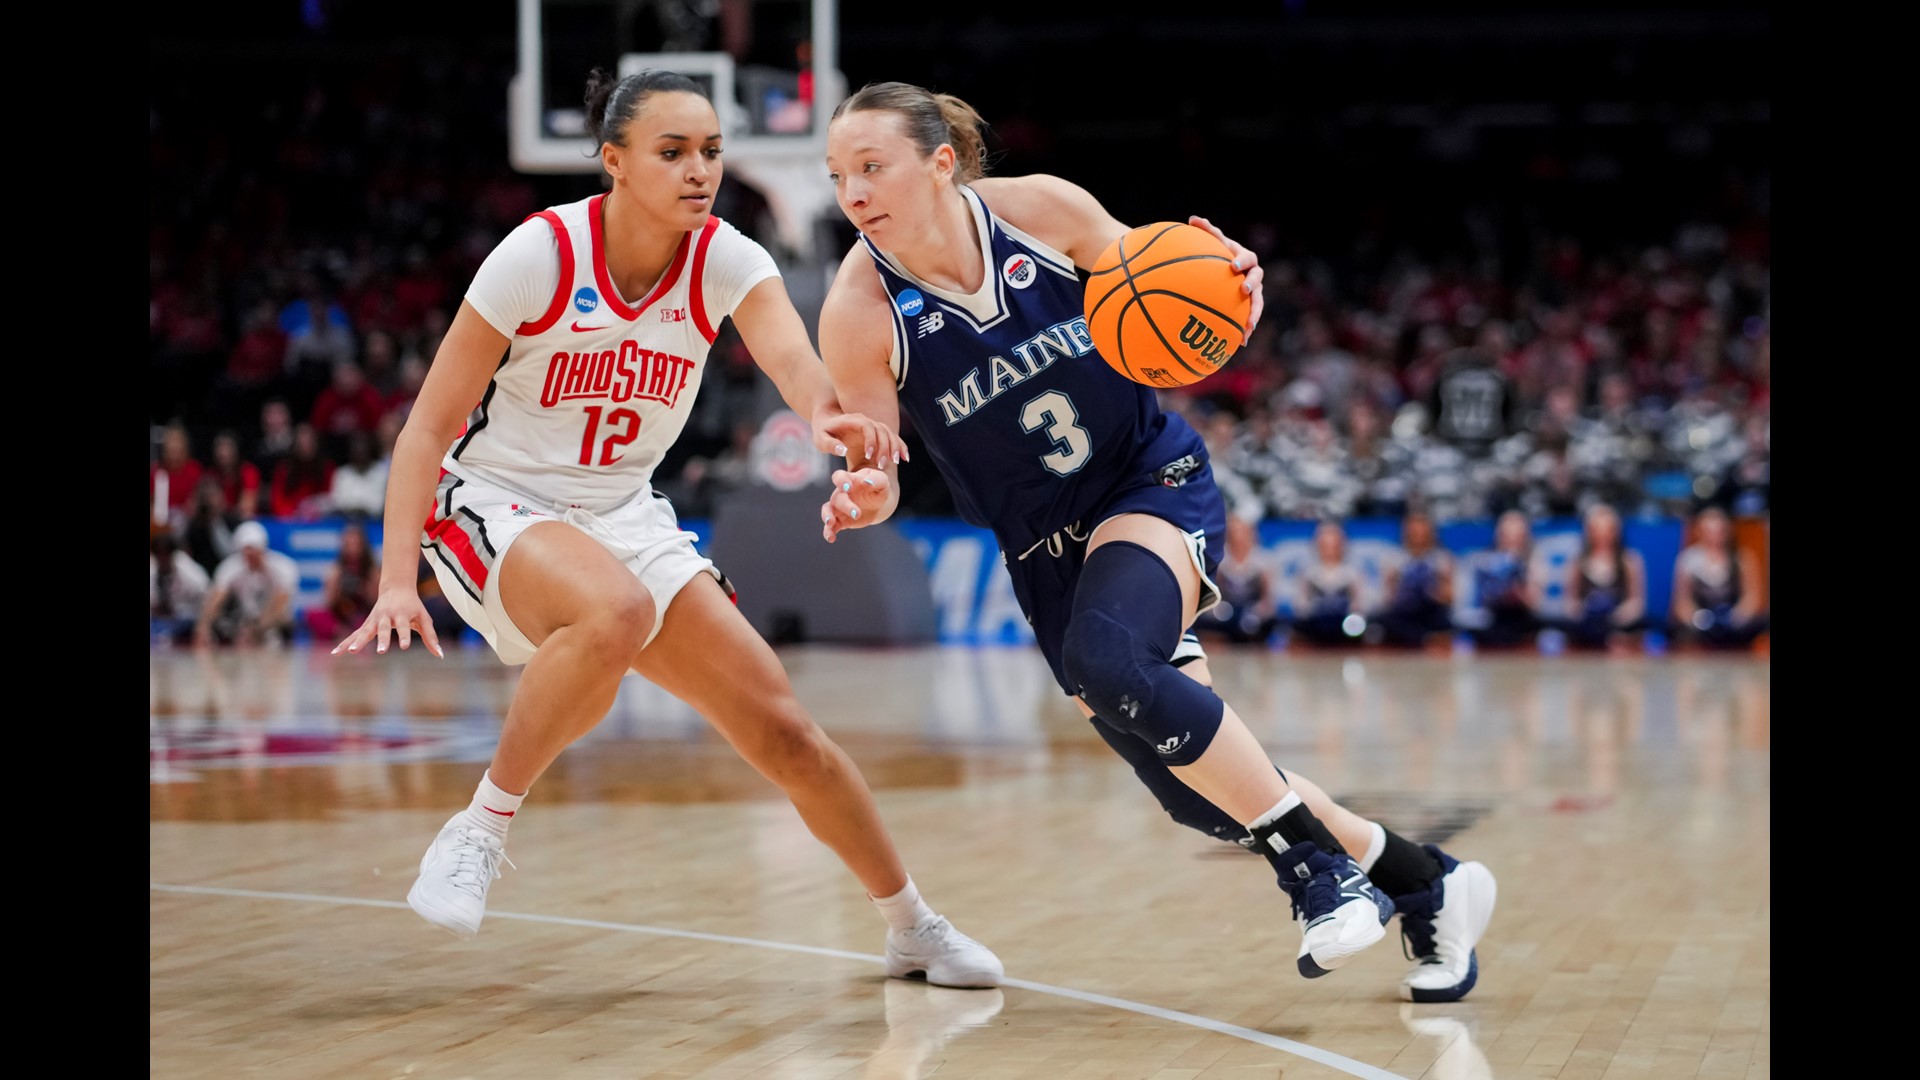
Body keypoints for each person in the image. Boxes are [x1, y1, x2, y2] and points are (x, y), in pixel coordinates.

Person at [812, 82, 1494, 1000]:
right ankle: (1428, 884)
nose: (853, 193)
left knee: (1108, 657)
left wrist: (1229, 287)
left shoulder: (1043, 212)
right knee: (1199, 794)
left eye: (871, 166)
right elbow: (881, 467)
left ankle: (1318, 876)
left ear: (940, 162)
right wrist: (865, 491)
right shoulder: (860, 310)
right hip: (1042, 546)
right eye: (838, 175)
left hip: (1145, 477)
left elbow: (1173, 289)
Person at [330, 69, 1001, 989]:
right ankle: (480, 827)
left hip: (623, 512)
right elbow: (424, 430)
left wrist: (827, 420)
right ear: (614, 161)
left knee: (785, 732)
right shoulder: (538, 255)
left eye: (713, 152)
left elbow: (795, 368)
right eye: (674, 152)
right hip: (494, 499)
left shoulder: (727, 257)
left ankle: (912, 926)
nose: (701, 171)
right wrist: (398, 579)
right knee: (613, 611)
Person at [1670, 507, 1766, 649]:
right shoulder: (1688, 560)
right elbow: (1682, 601)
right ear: (1699, 531)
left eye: (1719, 531)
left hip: (1735, 622)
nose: (1714, 535)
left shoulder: (1742, 559)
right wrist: (1697, 618)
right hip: (1702, 621)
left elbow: (1752, 597)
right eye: (1709, 531)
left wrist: (1738, 616)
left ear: (1728, 530)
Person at [1558, 503, 1648, 651]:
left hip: (1618, 623)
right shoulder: (1577, 562)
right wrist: (1582, 611)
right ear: (1589, 531)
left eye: (1607, 529)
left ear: (1615, 531)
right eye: (1597, 529)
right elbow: (1569, 601)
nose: (1602, 534)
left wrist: (1618, 615)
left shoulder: (1629, 561)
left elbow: (1637, 602)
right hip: (1586, 624)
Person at [195, 520, 298, 647]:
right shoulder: (231, 567)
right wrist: (204, 626)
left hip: (274, 621)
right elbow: (217, 598)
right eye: (246, 551)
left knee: (282, 622)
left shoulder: (283, 567)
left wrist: (259, 627)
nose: (250, 556)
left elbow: (281, 602)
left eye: (254, 550)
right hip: (244, 619)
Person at [1188, 513, 1279, 646]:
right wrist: (1217, 609)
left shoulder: (1264, 561)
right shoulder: (1218, 559)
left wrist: (1258, 611)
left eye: (1242, 531)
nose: (1238, 537)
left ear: (1252, 534)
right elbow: (1209, 593)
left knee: (1265, 623)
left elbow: (1269, 599)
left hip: (1252, 612)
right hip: (1225, 611)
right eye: (1234, 532)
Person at [1464, 510, 1543, 649]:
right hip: (1492, 618)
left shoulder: (1532, 561)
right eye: (1507, 534)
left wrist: (1519, 594)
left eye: (1516, 535)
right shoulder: (1485, 560)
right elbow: (1477, 600)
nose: (1511, 539)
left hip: (1521, 618)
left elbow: (1535, 602)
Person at [1377, 509, 1454, 648]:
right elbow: (1388, 597)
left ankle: (1426, 639)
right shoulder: (1394, 558)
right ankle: (1425, 640)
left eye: (1422, 531)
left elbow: (1450, 596)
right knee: (1383, 621)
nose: (1418, 535)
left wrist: (1434, 593)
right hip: (1404, 612)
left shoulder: (1441, 558)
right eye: (1414, 531)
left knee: (1445, 621)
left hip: (1430, 610)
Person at [1290, 519, 1367, 648]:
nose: (1329, 549)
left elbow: (1359, 603)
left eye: (1334, 544)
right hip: (1316, 623)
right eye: (1325, 544)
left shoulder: (1352, 572)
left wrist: (1352, 613)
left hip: (1343, 623)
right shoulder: (1308, 573)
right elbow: (1301, 604)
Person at [306, 521, 380, 643]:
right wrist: (336, 588)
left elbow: (375, 601)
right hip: (341, 615)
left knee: (372, 620)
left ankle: (358, 633)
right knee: (313, 615)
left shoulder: (372, 570)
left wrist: (365, 589)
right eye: (348, 543)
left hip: (364, 613)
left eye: (355, 543)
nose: (352, 547)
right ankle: (344, 633)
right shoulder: (335, 569)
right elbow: (328, 602)